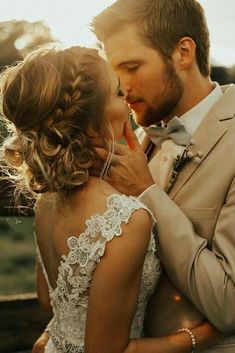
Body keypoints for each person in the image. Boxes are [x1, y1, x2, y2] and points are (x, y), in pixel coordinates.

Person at [0, 45, 220, 353]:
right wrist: (197, 337)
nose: (128, 102)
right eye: (118, 93)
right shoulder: (125, 219)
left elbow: (47, 298)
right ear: (94, 118)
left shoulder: (46, 200)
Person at [91, 0, 235, 352]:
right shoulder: (138, 139)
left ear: (184, 52)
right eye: (114, 72)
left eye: (132, 66)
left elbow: (230, 305)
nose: (121, 87)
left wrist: (147, 191)